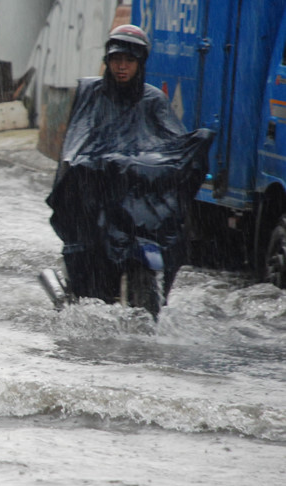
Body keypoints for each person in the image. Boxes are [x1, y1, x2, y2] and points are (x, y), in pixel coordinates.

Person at [43, 24, 213, 306]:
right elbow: (77, 140)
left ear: (140, 63)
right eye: (116, 60)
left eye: (129, 61)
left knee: (173, 233)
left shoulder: (153, 100)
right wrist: (88, 165)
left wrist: (177, 160)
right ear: (107, 61)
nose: (121, 67)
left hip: (135, 198)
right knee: (86, 261)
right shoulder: (91, 93)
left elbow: (171, 145)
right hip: (95, 193)